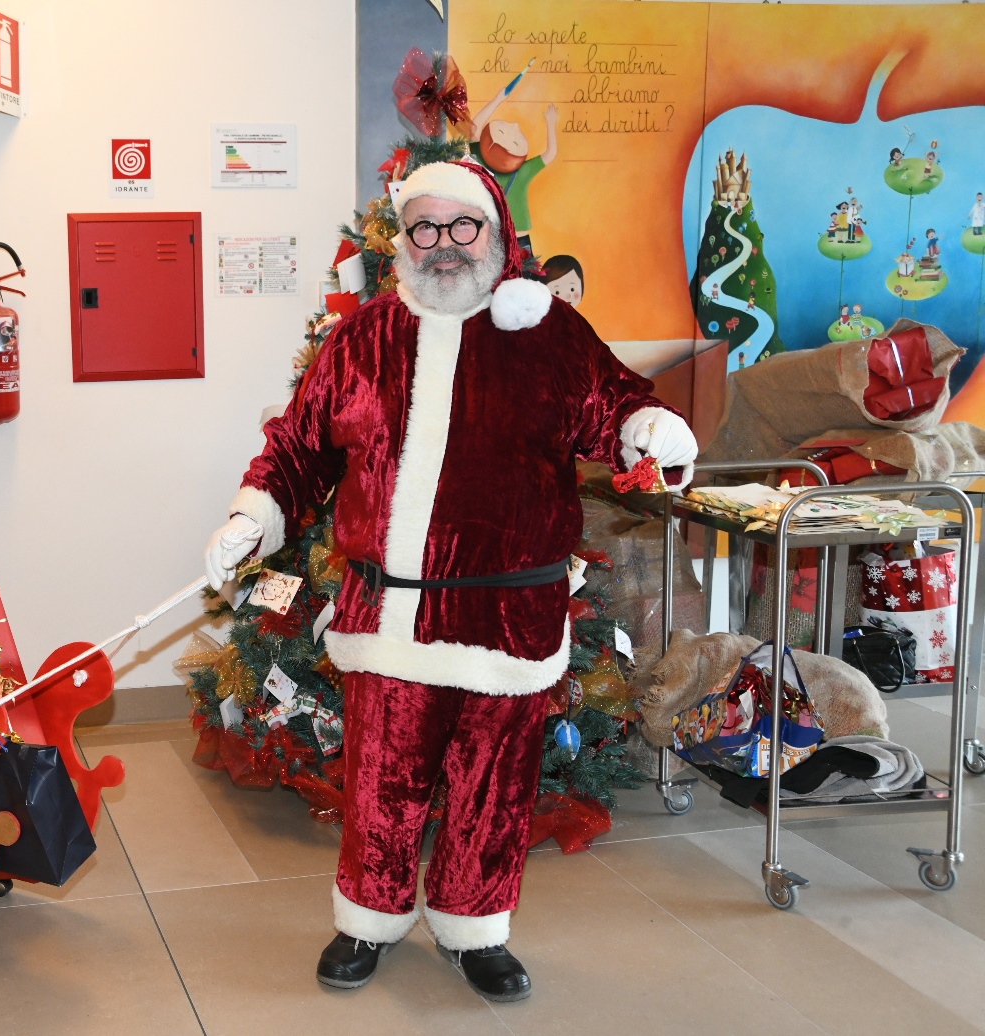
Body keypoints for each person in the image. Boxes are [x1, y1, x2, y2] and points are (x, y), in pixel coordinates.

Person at [202, 160, 697, 1005]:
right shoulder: (361, 340)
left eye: (460, 226)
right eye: (423, 228)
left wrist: (649, 427)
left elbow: (617, 409)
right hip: (390, 610)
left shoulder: (547, 336)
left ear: (495, 236)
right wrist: (255, 516)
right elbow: (299, 446)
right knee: (379, 783)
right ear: (403, 242)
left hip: (511, 615)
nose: (442, 245)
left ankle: (476, 930)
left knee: (492, 787)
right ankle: (368, 918)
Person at [467, 83, 559, 258]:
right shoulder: (522, 171)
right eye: (513, 141)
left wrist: (498, 99)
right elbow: (551, 153)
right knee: (523, 282)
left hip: (493, 236)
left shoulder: (480, 159)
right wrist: (551, 123)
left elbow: (474, 129)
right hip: (517, 238)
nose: (516, 126)